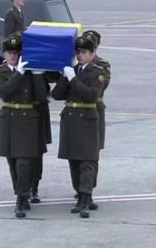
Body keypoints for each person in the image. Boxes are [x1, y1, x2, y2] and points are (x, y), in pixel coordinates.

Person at [0, 33, 47, 218]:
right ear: (4, 54)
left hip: (27, 119)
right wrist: (19, 74)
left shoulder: (30, 71)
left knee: (24, 162)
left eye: (16, 52)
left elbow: (41, 97)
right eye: (9, 52)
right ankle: (21, 193)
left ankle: (21, 198)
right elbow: (4, 92)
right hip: (8, 119)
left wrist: (38, 75)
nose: (13, 56)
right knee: (12, 162)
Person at [51, 36, 106, 218]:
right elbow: (57, 95)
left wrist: (73, 79)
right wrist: (63, 76)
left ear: (92, 54)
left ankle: (85, 197)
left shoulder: (97, 72)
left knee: (87, 162)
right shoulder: (71, 71)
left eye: (84, 52)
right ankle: (79, 194)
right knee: (74, 160)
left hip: (88, 119)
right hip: (71, 120)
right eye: (78, 52)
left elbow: (91, 95)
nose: (80, 55)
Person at [77, 30, 111, 210]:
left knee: (92, 154)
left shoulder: (102, 66)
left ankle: (88, 189)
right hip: (78, 113)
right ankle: (83, 188)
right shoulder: (77, 66)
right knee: (80, 156)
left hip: (95, 110)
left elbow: (101, 86)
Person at [30, 76, 51, 204]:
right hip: (20, 113)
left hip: (38, 110)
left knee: (37, 153)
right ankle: (23, 188)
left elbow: (53, 77)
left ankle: (34, 188)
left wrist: (38, 74)